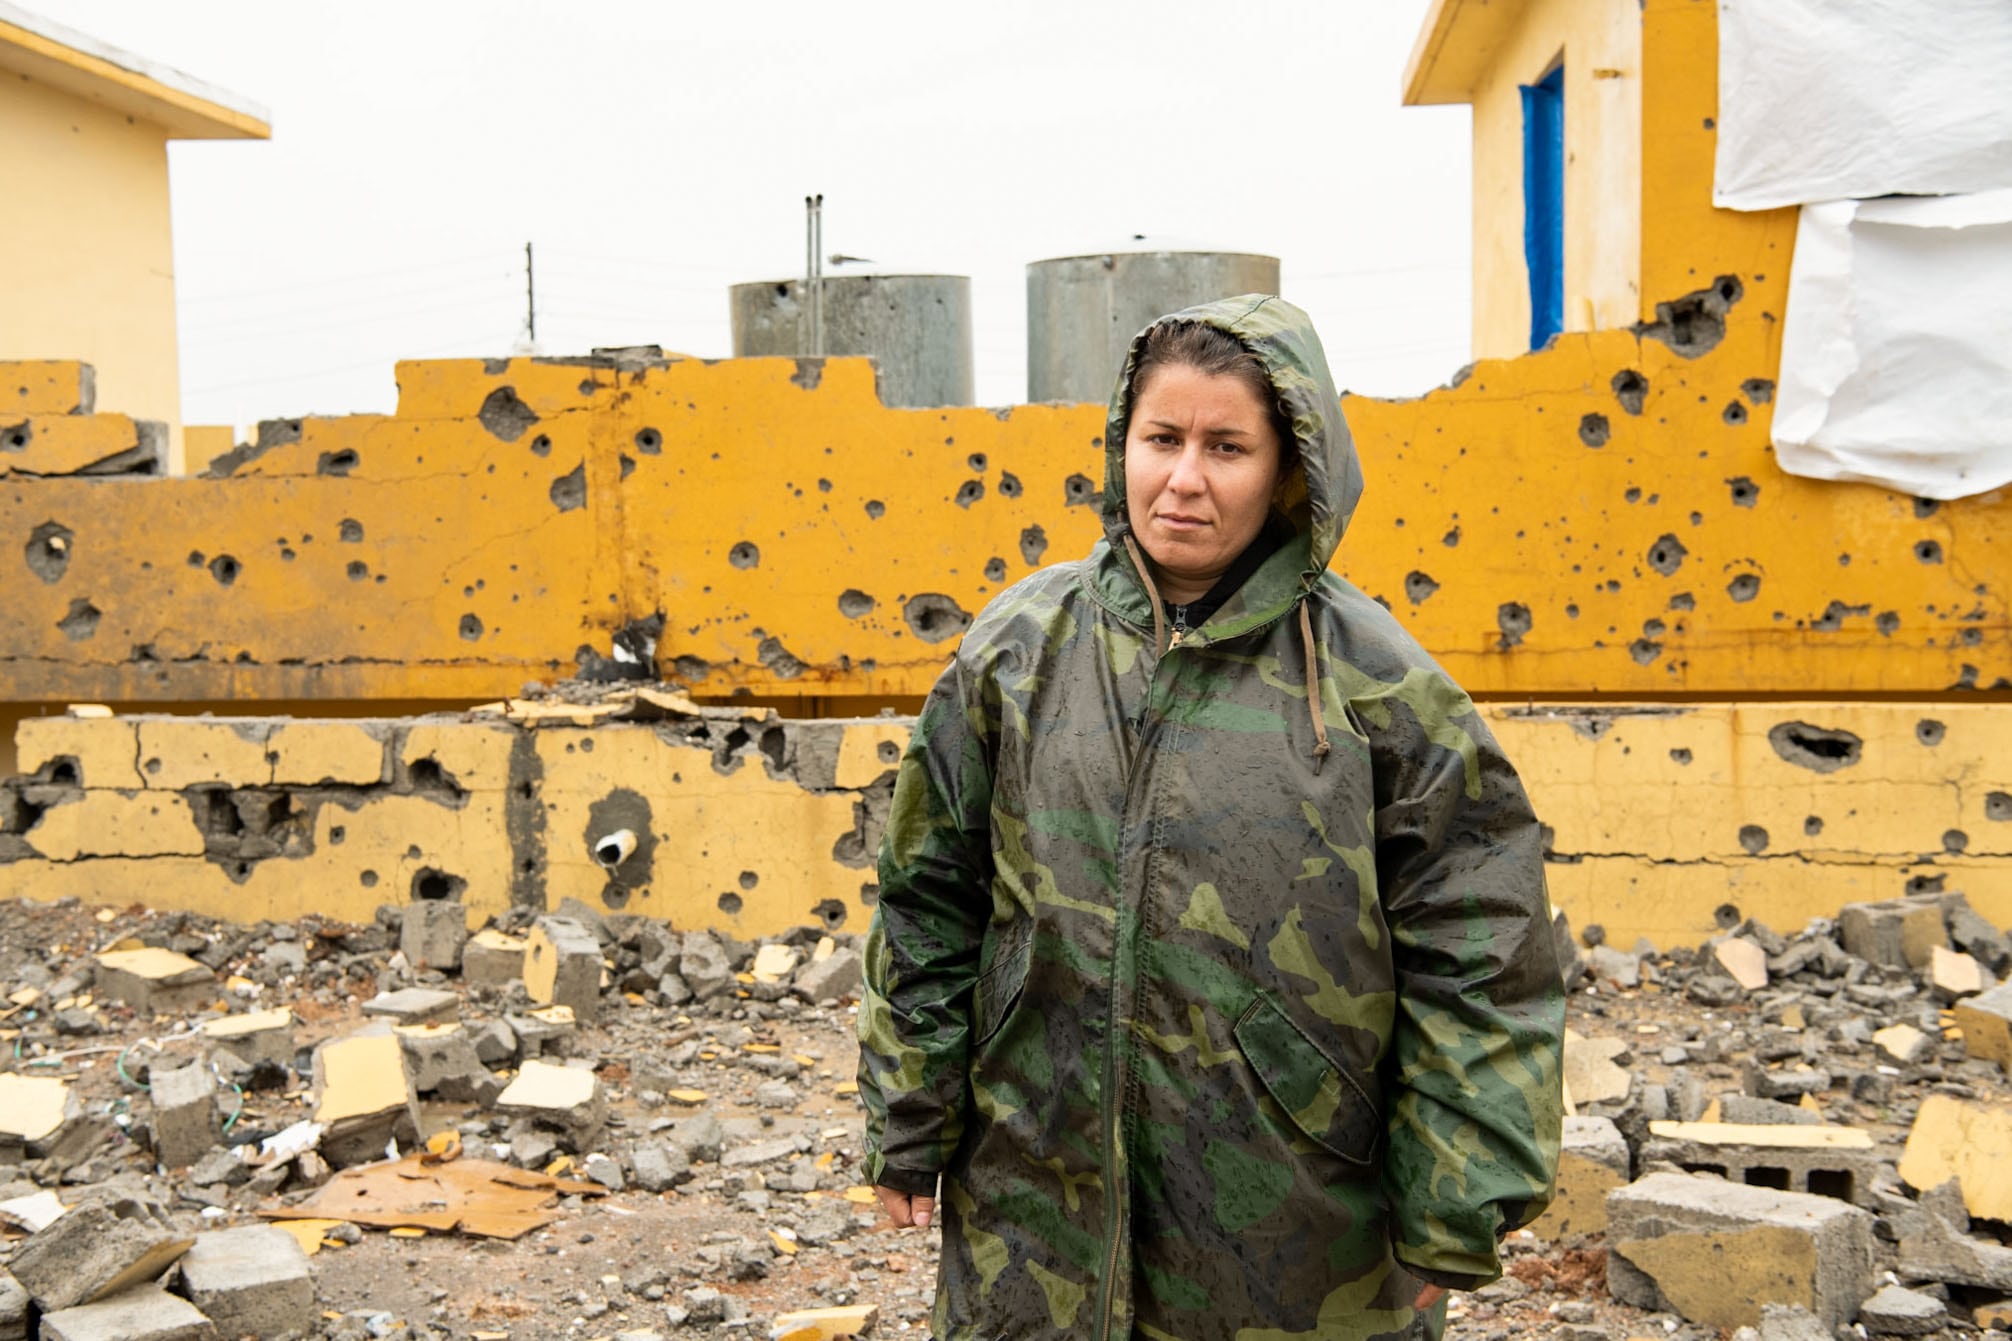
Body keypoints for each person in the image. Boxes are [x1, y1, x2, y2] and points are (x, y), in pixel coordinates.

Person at [856, 294, 1563, 1341]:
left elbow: (1481, 952)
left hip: (1292, 1224)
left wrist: (1456, 1197)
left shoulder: (1378, 688)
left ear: (1289, 469)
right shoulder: (1017, 652)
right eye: (1162, 439)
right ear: (1119, 446)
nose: (1183, 479)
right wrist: (910, 1120)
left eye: (1226, 447)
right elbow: (930, 902)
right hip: (1035, 1202)